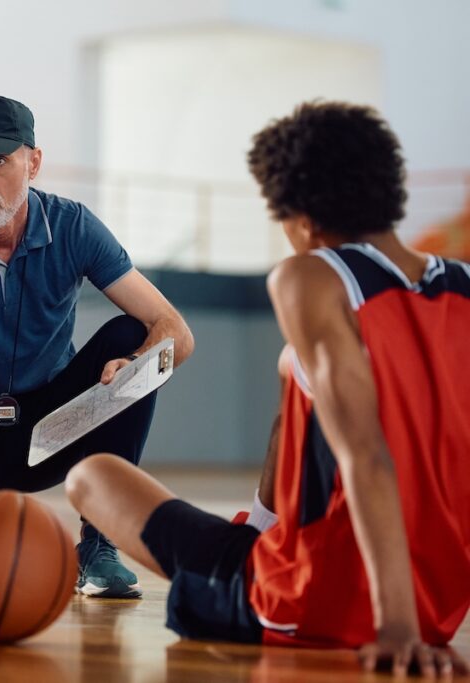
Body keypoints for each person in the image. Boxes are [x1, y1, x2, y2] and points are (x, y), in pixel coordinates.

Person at [66, 101, 470, 676]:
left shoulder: (313, 276)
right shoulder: (460, 289)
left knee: (89, 477)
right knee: (293, 368)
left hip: (315, 605)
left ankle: (258, 554)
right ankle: (258, 534)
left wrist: (396, 629)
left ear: (299, 216)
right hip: (433, 610)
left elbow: (366, 455)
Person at [0, 94, 195, 599]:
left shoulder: (74, 226)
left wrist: (131, 370)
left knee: (133, 336)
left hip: (52, 428)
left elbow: (175, 330)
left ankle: (98, 543)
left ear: (34, 162)